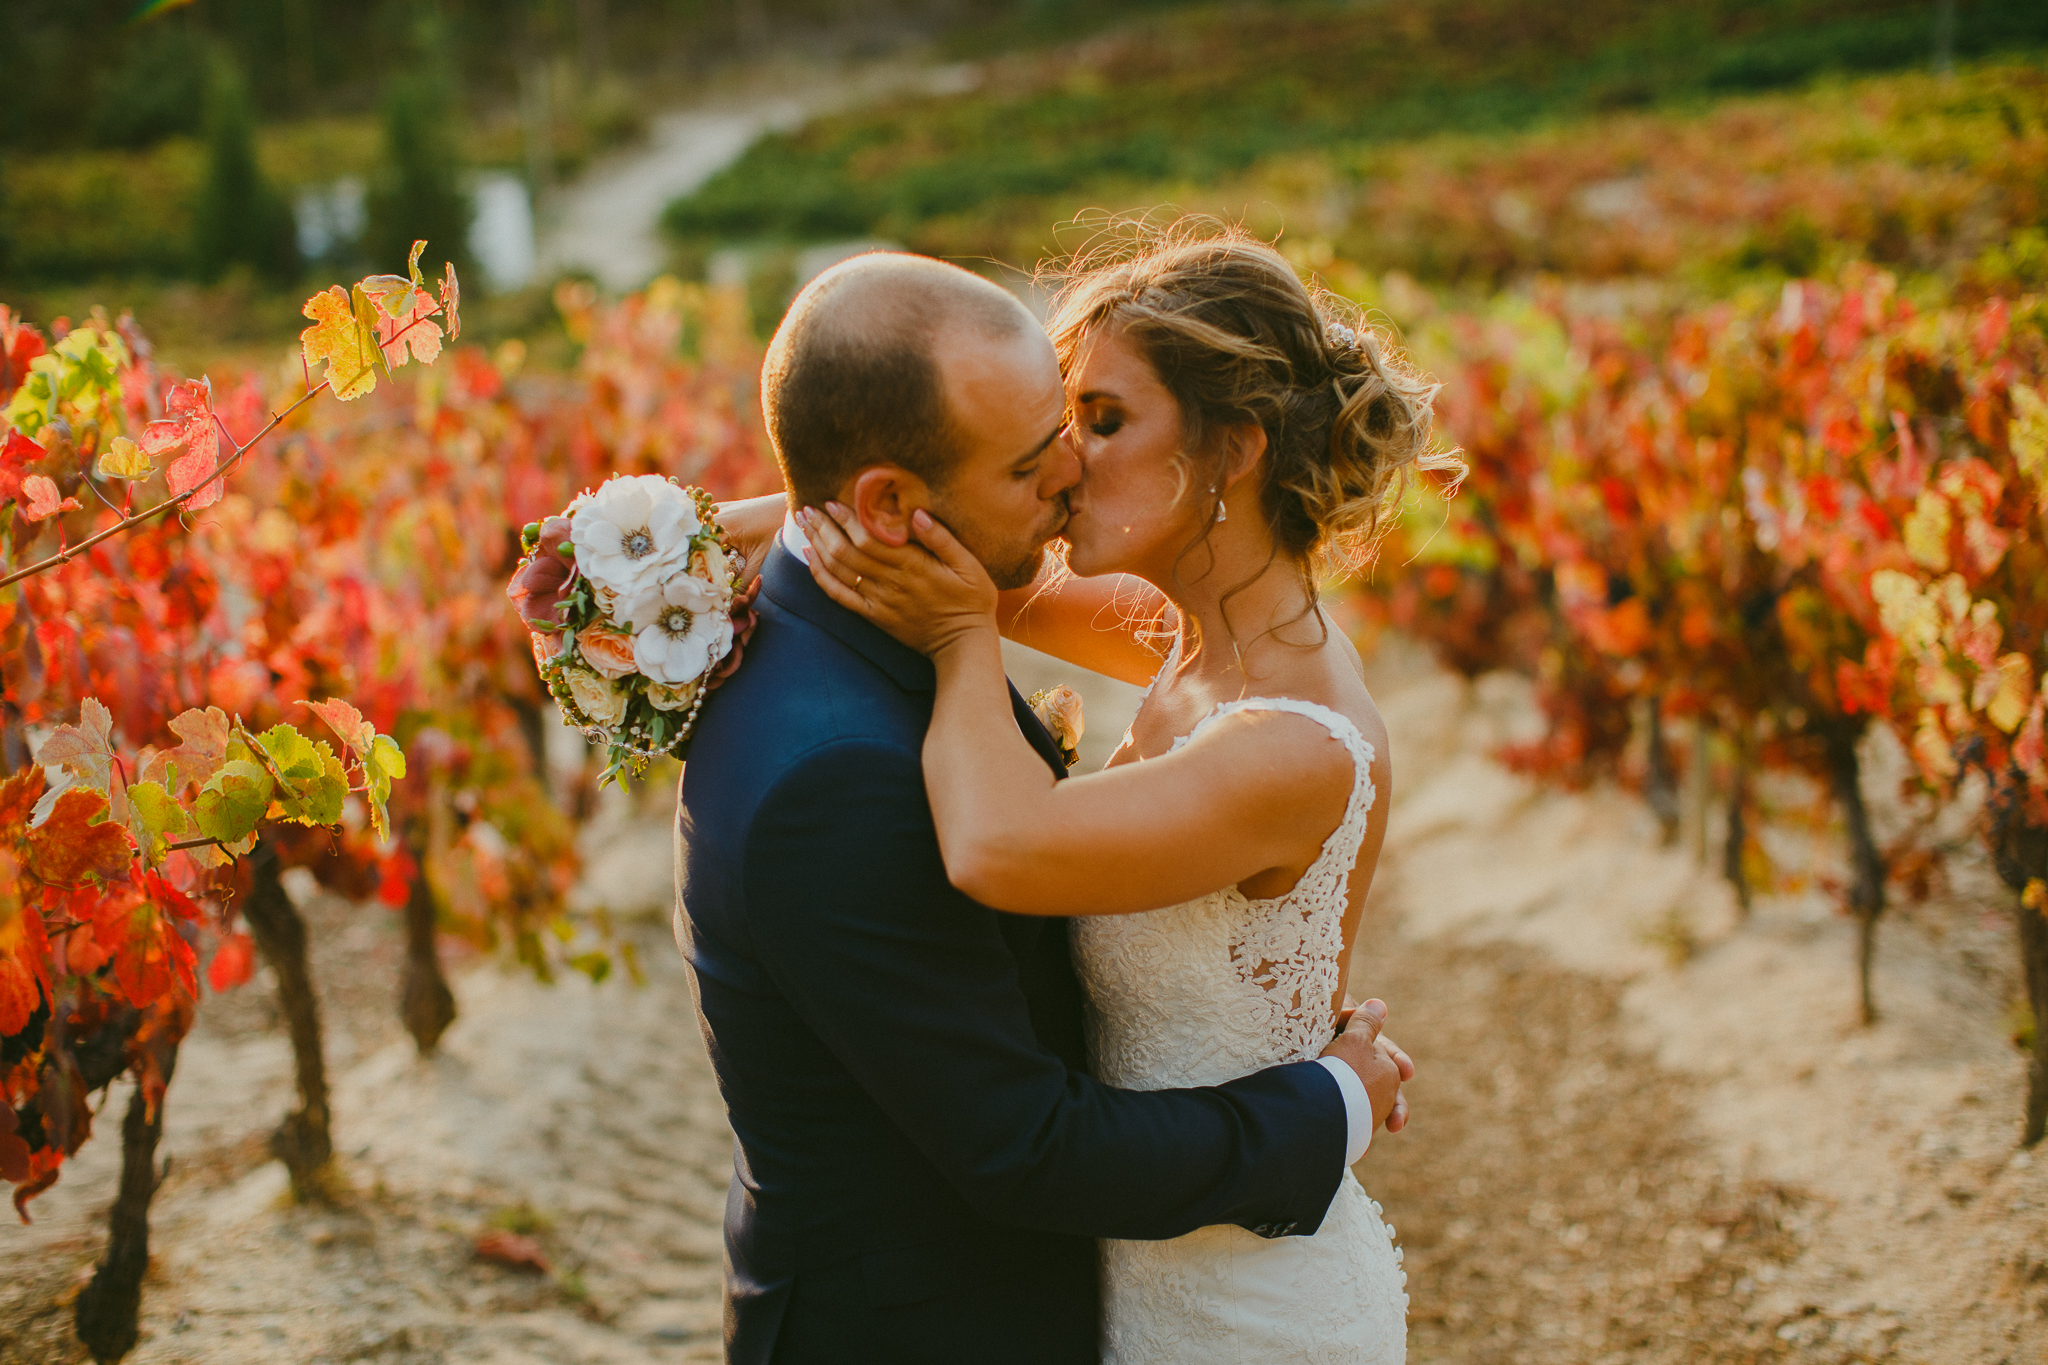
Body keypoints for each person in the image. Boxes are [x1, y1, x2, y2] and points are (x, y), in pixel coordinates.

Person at [678, 248, 1412, 1365]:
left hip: (1242, 1303)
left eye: (1102, 421)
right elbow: (942, 529)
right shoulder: (1193, 632)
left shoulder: (1288, 740)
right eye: (1053, 432)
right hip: (1134, 1257)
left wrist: (962, 642)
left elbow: (994, 833)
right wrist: (641, 552)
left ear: (1234, 451)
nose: (1065, 466)